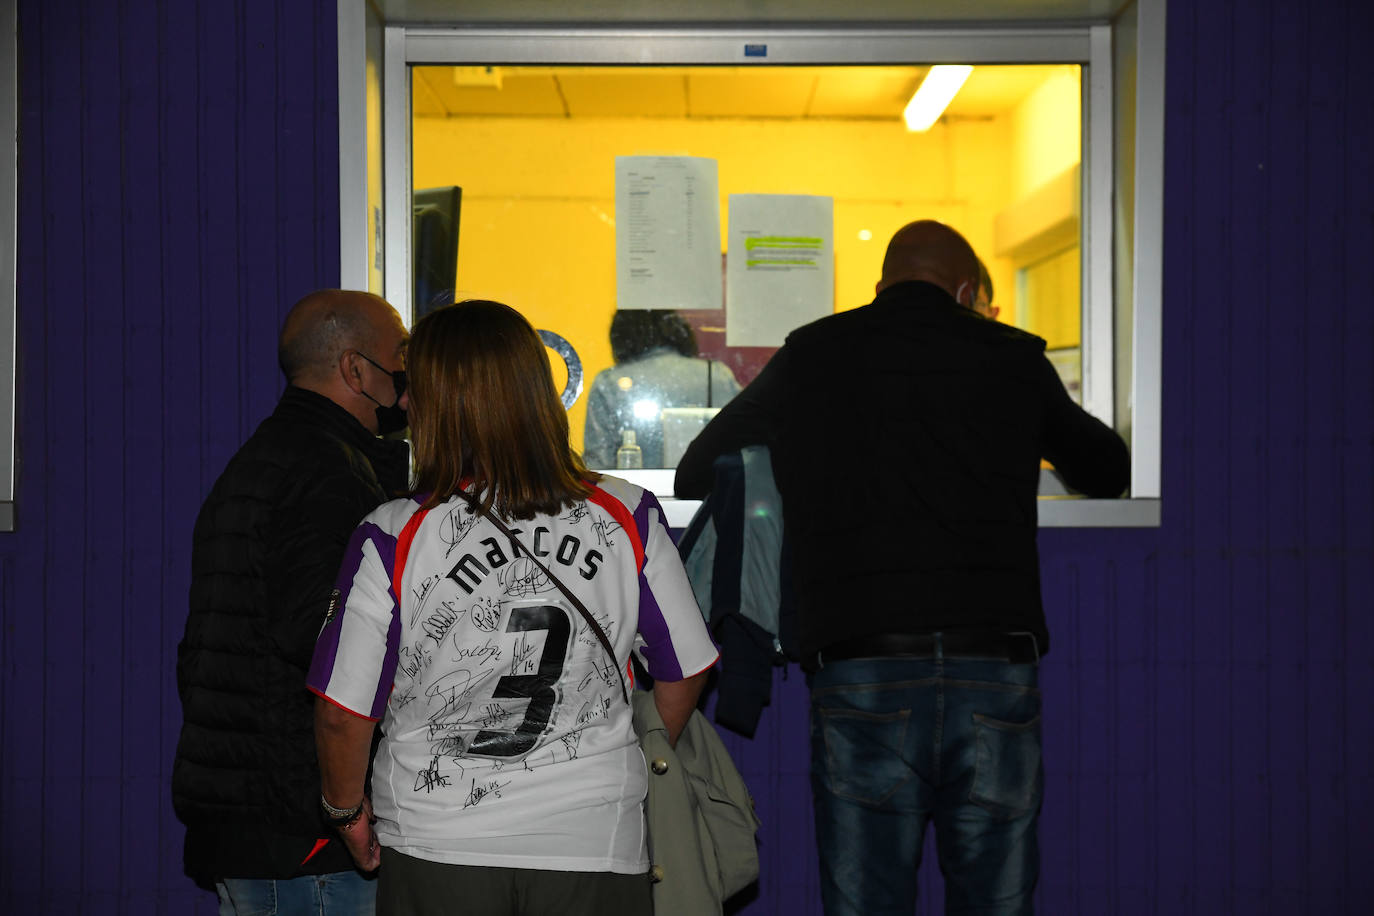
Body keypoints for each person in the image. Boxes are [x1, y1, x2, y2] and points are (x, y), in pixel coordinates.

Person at [675, 220, 1130, 915]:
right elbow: (1109, 469)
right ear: (970, 292)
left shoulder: (815, 355)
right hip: (994, 672)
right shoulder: (1011, 357)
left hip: (863, 672)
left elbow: (697, 468)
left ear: (881, 287)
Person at [308, 299, 717, 915]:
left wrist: (345, 811)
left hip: (437, 842)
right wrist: (606, 754)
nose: (401, 405)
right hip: (594, 844)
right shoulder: (625, 513)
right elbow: (685, 668)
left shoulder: (394, 534)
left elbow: (343, 712)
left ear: (447, 402)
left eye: (413, 388)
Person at [173, 290, 412, 914]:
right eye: (400, 362)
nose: (410, 385)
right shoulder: (327, 473)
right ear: (357, 370)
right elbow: (335, 653)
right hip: (305, 838)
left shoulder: (270, 457)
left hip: (262, 819)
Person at [583, 309, 741, 469]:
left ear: (621, 336)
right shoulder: (716, 375)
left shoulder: (609, 382)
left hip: (637, 492)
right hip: (708, 491)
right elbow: (743, 445)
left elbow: (598, 465)